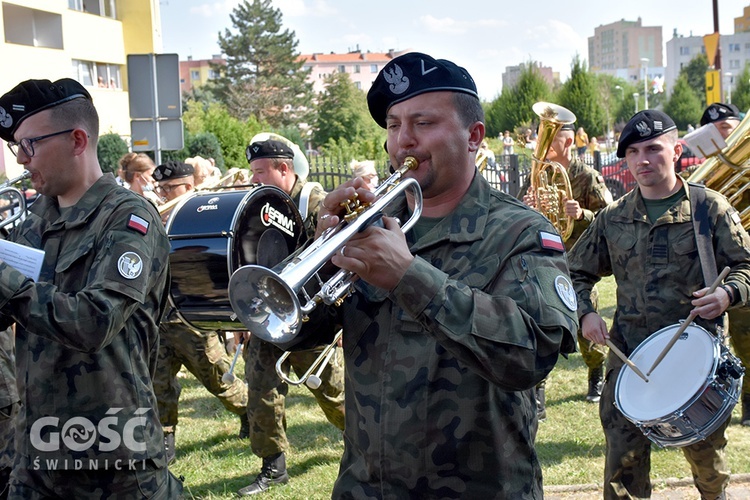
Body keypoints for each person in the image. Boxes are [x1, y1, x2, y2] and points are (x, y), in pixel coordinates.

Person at [313, 52, 577, 498]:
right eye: (394, 125)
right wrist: (321, 259)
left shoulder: (522, 231)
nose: (404, 141)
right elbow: (296, 335)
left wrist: (408, 276)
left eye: (423, 123)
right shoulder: (370, 226)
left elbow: (532, 354)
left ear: (473, 136)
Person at [0, 78, 182, 497]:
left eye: (30, 145)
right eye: (17, 148)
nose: (22, 161)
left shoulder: (128, 218)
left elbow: (94, 322)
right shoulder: (36, 221)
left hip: (113, 460)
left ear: (78, 140)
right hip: (37, 456)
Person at [568, 109, 750, 500]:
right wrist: (585, 311)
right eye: (632, 152)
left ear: (676, 149)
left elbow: (746, 265)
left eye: (653, 148)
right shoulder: (613, 218)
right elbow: (573, 274)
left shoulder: (709, 210)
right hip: (631, 357)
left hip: (696, 359)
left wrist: (727, 294)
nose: (642, 160)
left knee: (708, 466)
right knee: (622, 467)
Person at [238, 138, 346, 496]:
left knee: (333, 393)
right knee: (261, 389)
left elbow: (334, 258)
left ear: (284, 169)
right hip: (270, 315)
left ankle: (363, 438)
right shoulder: (256, 206)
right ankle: (273, 465)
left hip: (309, 317)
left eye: (260, 172)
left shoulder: (313, 201)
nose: (254, 180)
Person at [150, 160, 249, 464]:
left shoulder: (200, 215)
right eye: (162, 188)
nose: (165, 194)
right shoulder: (155, 214)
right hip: (159, 316)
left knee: (218, 379)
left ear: (189, 187)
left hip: (190, 317)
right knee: (159, 383)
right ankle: (165, 440)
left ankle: (248, 410)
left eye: (172, 188)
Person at [518, 121, 613, 416]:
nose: (540, 144)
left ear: (568, 142)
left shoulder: (587, 175)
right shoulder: (538, 174)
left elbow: (610, 216)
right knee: (539, 322)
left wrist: (582, 213)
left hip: (577, 261)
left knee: (584, 319)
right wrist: (527, 206)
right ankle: (537, 393)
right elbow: (516, 212)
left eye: (549, 138)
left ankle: (596, 374)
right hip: (542, 258)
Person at [699, 101, 750, 426]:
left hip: (742, 271)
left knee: (748, 339)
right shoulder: (699, 179)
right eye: (716, 133)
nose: (725, 140)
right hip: (710, 270)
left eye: (729, 131)